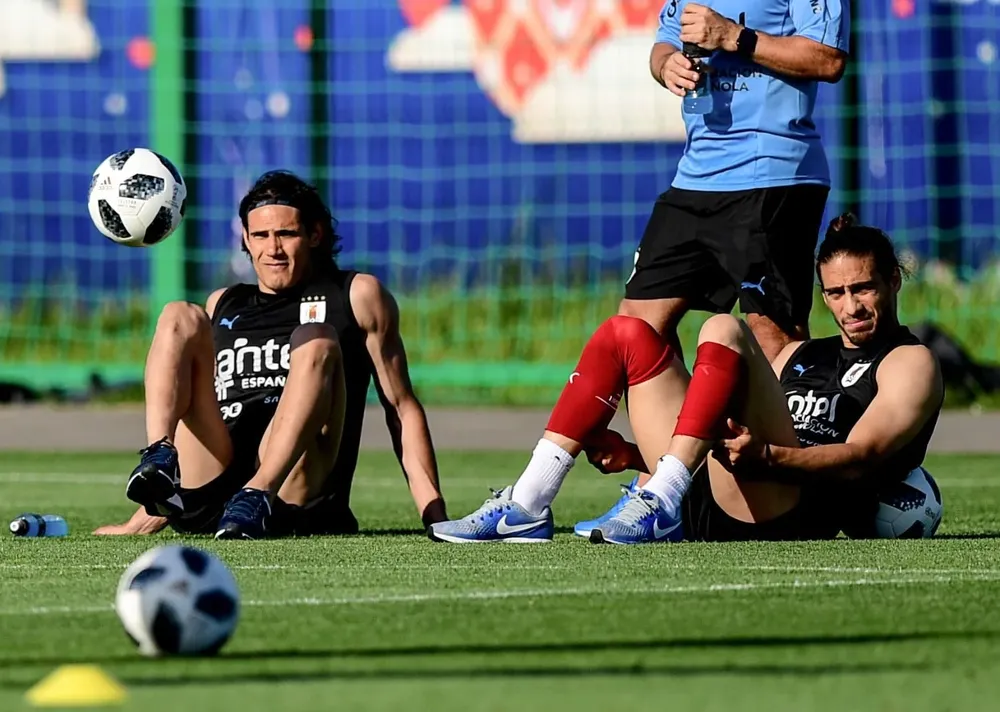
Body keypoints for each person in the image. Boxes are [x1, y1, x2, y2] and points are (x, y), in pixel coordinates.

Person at [428, 215, 943, 544]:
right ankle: (528, 503)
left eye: (863, 289)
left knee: (723, 325)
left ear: (893, 281)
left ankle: (661, 497)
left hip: (792, 508)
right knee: (624, 331)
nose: (849, 306)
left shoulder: (908, 361)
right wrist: (636, 455)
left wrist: (767, 457)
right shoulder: (802, 353)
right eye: (835, 293)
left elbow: (863, 459)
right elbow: (721, 432)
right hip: (718, 495)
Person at [95, 170, 447, 540]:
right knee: (178, 315)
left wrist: (436, 516)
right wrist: (141, 522)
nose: (272, 249)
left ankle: (257, 493)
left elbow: (401, 408)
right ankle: (159, 456)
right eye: (260, 236)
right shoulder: (224, 302)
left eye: (286, 234)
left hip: (291, 491)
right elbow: (195, 408)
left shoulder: (356, 294)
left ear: (315, 235)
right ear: (245, 239)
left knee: (317, 339)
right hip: (215, 481)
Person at [627, 0, 850, 363]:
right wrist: (666, 65)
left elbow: (828, 58)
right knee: (634, 328)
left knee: (773, 335)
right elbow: (664, 42)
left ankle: (780, 420)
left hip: (773, 176)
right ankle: (685, 421)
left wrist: (734, 36)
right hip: (696, 177)